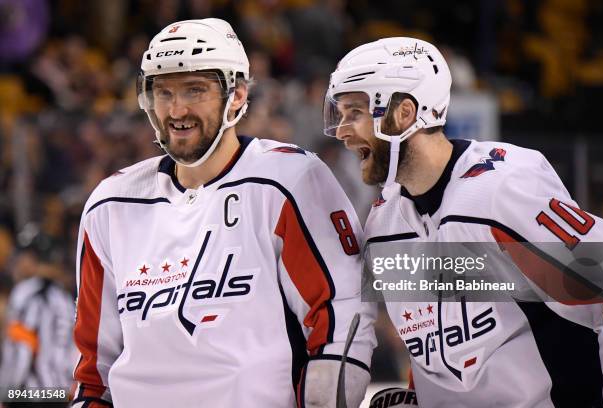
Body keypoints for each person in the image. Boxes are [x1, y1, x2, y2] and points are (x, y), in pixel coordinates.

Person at [71, 18, 376, 408]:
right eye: (163, 92)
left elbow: (342, 315)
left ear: (236, 95)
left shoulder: (288, 179)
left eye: (195, 90)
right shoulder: (111, 203)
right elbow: (93, 371)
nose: (176, 109)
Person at [324, 37, 603, 407]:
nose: (343, 131)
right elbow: (432, 343)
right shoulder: (383, 226)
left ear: (404, 114)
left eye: (354, 112)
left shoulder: (501, 190)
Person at [0, 241, 75, 408]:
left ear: (31, 260)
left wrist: (6, 393)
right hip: (62, 393)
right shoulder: (65, 298)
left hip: (28, 394)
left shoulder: (24, 293)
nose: (16, 265)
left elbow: (22, 347)